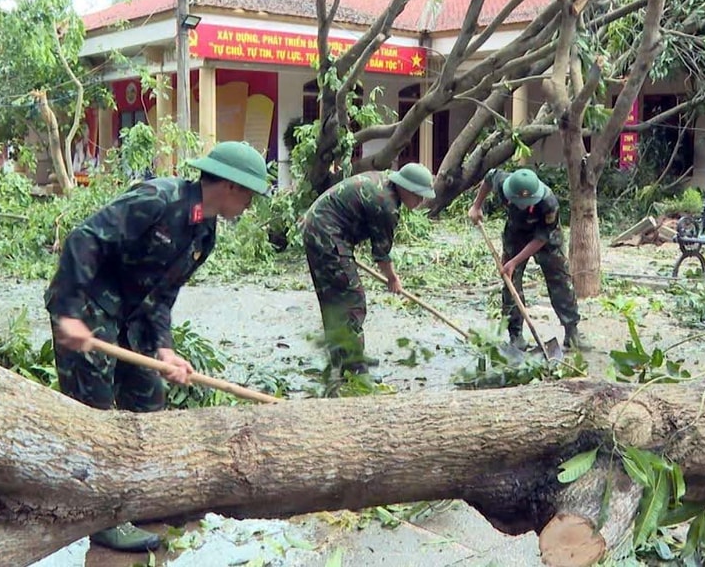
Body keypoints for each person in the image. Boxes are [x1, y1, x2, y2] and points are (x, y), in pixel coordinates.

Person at [44, 141, 270, 553]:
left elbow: (163, 297)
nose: (250, 205)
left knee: (149, 400)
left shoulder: (204, 232)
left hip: (132, 319)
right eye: (250, 194)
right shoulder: (158, 199)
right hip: (90, 307)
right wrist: (70, 313)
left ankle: (141, 498)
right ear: (233, 187)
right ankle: (102, 518)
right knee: (94, 418)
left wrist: (164, 349)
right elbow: (84, 239)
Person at [301, 163, 435, 377]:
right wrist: (393, 279)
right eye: (419, 196)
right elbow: (381, 255)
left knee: (334, 300)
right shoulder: (386, 204)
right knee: (352, 300)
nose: (421, 201)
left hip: (318, 227)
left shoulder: (384, 182)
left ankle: (343, 358)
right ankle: (353, 367)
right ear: (407, 188)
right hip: (327, 235)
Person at [468, 167, 588, 351]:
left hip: (546, 237)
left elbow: (541, 238)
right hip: (516, 232)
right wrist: (476, 206)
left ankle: (572, 332)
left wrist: (515, 260)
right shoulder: (502, 182)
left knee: (560, 279)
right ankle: (515, 335)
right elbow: (488, 177)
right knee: (510, 282)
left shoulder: (549, 203)